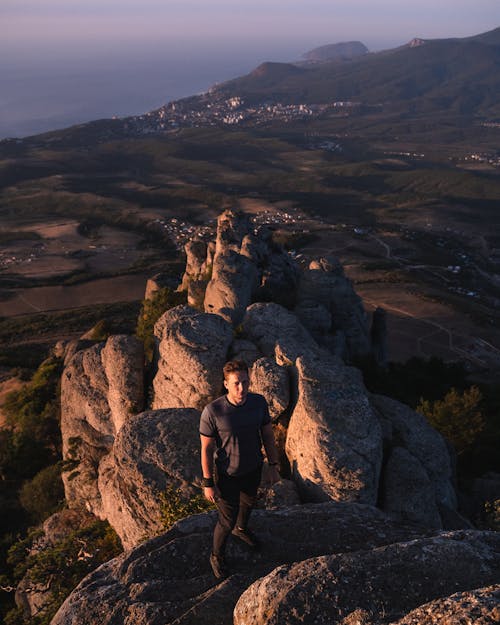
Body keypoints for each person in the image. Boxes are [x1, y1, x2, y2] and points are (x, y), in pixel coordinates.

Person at [199, 359, 280, 579]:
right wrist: (208, 483)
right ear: (226, 384)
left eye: (245, 382)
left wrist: (273, 465)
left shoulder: (258, 403)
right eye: (236, 383)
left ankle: (241, 529)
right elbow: (206, 449)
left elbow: (268, 436)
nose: (242, 388)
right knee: (226, 520)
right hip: (227, 475)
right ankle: (216, 556)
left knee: (249, 502)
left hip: (253, 468)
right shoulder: (213, 411)